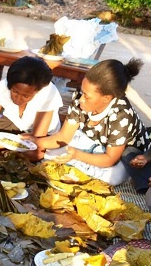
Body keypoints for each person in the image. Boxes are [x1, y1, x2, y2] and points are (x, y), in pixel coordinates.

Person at [35, 58, 151, 186]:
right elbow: (64, 136)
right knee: (51, 154)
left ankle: (80, 164)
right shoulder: (81, 96)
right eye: (82, 92)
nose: (81, 100)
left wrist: (77, 155)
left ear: (107, 98)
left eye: (87, 96)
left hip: (120, 153)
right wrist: (34, 142)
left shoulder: (122, 116)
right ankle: (84, 166)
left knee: (113, 178)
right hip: (91, 141)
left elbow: (110, 159)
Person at [0, 56, 62, 154]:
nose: (18, 99)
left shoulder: (47, 94)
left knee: (34, 154)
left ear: (37, 91)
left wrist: (0, 143)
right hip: (15, 125)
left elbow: (37, 138)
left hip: (41, 135)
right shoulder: (3, 86)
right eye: (14, 92)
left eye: (26, 96)